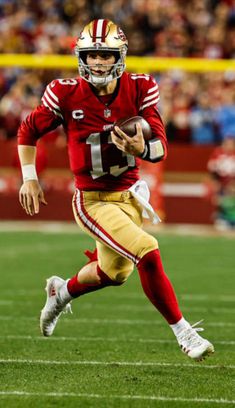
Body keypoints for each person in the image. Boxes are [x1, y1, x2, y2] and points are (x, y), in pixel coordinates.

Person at [17, 19, 214, 361]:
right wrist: (29, 176)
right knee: (146, 249)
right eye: (91, 54)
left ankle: (60, 291)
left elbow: (161, 145)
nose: (97, 62)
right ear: (81, 56)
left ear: (119, 56)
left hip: (129, 194)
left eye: (105, 55)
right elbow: (27, 130)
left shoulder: (139, 87)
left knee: (114, 273)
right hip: (92, 200)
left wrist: (143, 150)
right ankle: (184, 332)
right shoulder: (65, 92)